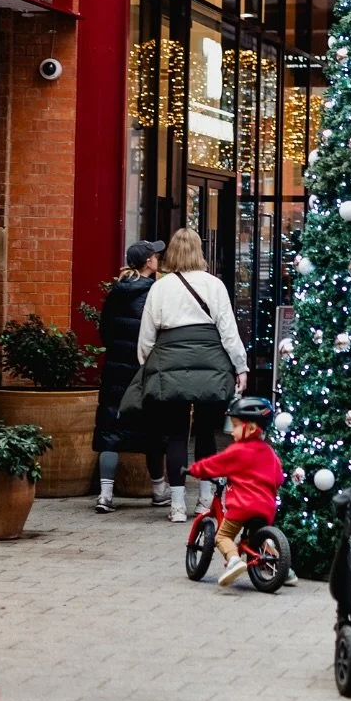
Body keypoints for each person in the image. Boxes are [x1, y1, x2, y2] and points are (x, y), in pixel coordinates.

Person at [135, 228, 249, 524]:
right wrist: (241, 367)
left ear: (171, 253)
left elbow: (147, 335)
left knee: (175, 433)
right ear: (199, 251)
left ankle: (176, 506)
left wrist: (147, 364)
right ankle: (205, 501)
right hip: (210, 362)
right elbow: (228, 331)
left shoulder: (159, 288)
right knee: (207, 432)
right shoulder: (214, 285)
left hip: (170, 362)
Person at [91, 239, 169, 514]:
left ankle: (105, 494)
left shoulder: (117, 290)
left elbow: (105, 331)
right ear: (148, 262)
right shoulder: (155, 292)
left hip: (115, 368)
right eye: (155, 256)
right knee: (153, 428)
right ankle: (159, 490)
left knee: (111, 428)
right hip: (144, 369)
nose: (158, 259)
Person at [188, 395, 285, 589]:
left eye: (235, 425)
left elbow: (214, 464)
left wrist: (193, 469)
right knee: (256, 538)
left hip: (243, 506)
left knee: (222, 537)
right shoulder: (270, 453)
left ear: (250, 428)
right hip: (266, 507)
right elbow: (279, 478)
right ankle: (283, 569)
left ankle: (233, 560)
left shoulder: (238, 450)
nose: (231, 432)